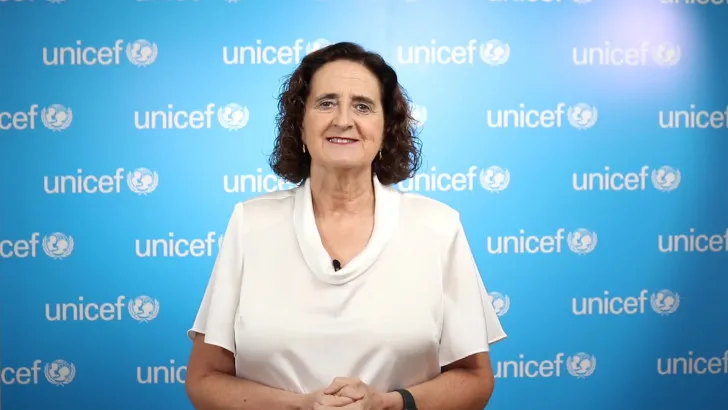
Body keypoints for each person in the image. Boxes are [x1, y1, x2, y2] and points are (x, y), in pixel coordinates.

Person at [184, 41, 507, 410]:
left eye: (362, 106)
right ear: (300, 123)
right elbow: (205, 379)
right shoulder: (250, 223)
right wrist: (302, 406)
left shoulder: (438, 227)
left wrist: (387, 404)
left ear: (386, 128)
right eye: (326, 103)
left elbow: (475, 380)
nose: (343, 120)